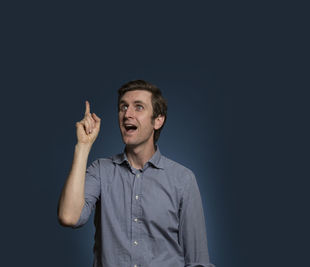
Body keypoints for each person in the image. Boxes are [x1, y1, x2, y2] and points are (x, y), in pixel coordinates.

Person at [58, 80, 214, 267]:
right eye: (123, 107)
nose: (127, 114)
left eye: (138, 107)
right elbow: (69, 217)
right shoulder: (101, 170)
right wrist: (83, 146)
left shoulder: (183, 179)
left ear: (158, 120)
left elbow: (198, 261)